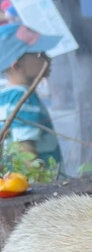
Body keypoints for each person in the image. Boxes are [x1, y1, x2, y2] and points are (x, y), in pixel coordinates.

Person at [0, 23, 63, 169]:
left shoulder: (5, 95)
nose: (47, 58)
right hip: (38, 180)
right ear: (17, 66)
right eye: (39, 54)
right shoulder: (24, 98)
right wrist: (40, 178)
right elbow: (25, 149)